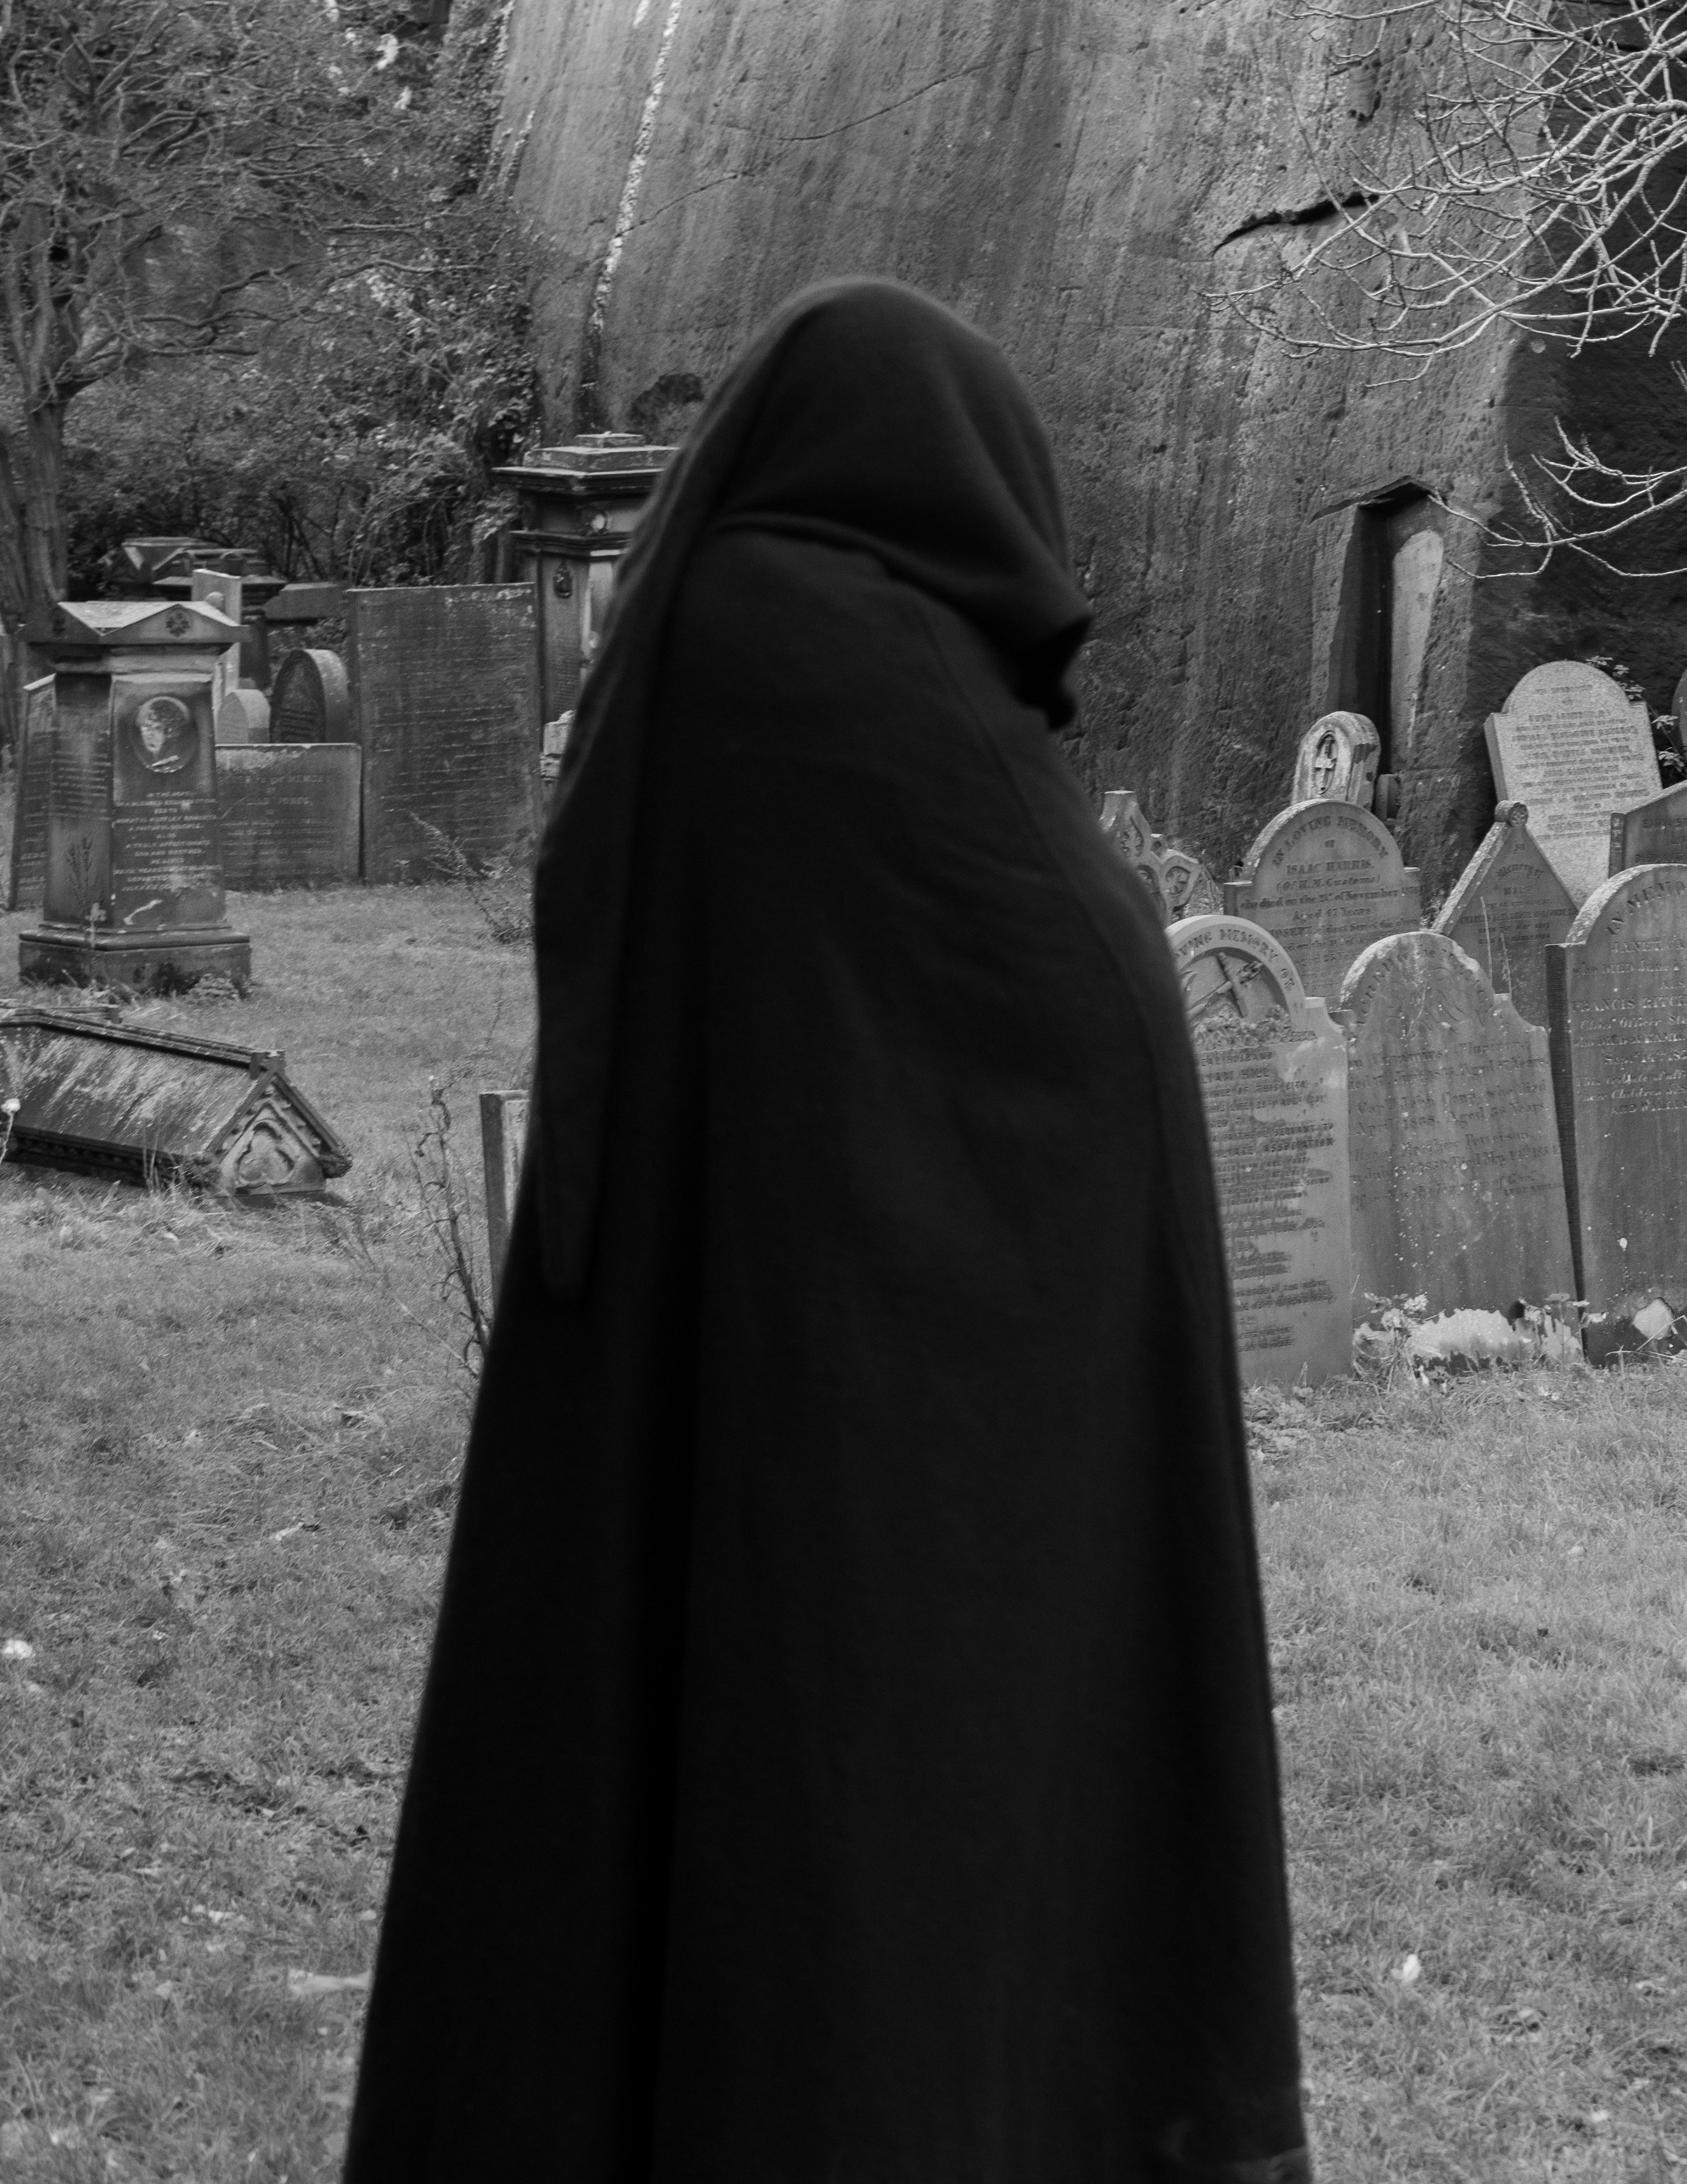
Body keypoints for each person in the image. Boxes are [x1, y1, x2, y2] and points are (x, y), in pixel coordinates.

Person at [345, 280, 1313, 2183]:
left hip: (719, 1339)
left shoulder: (712, 627)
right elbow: (1054, 972)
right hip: (928, 1397)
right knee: (888, 1839)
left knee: (687, 1791)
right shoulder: (851, 658)